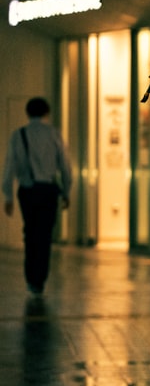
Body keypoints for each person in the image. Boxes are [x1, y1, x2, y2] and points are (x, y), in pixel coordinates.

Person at [2, 97, 72, 296]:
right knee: (44, 236)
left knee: (30, 233)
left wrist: (7, 195)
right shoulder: (54, 134)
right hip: (48, 191)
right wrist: (66, 191)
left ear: (27, 113)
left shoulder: (19, 135)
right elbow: (65, 165)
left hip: (27, 191)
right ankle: (39, 279)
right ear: (46, 113)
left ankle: (30, 278)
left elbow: (10, 166)